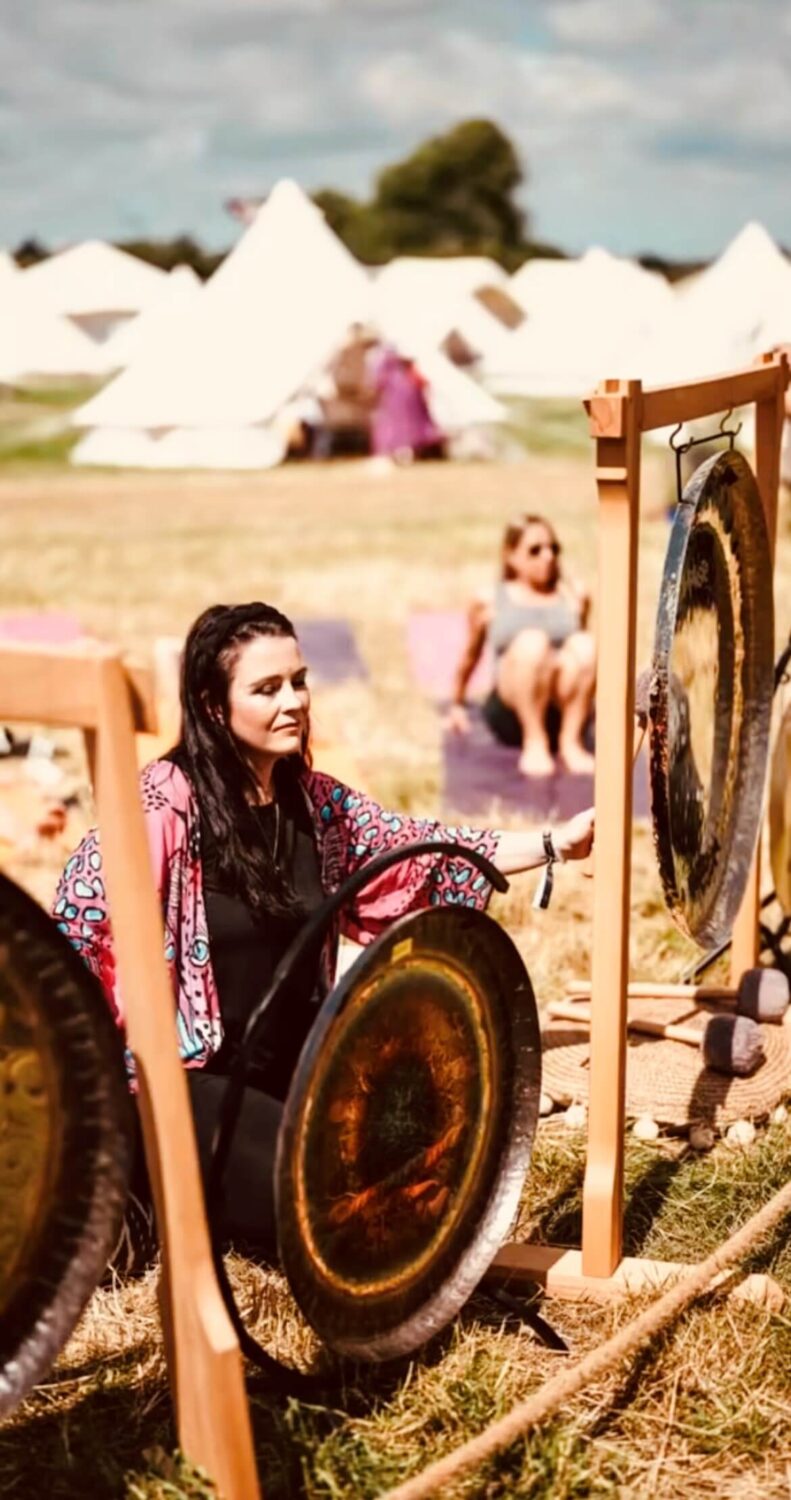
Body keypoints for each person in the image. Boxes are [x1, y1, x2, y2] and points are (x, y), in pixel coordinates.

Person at [53, 601, 594, 1259]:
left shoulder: (315, 803)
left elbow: (422, 847)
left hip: (291, 1070)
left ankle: (218, 1202)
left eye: (298, 681)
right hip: (182, 1083)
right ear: (212, 704)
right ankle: (144, 1197)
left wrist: (551, 842)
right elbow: (75, 936)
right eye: (266, 688)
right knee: (325, 1214)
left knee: (427, 1155)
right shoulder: (161, 809)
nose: (293, 701)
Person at [448, 514, 596, 778]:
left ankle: (570, 741)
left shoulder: (574, 595)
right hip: (511, 710)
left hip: (558, 708)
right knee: (533, 643)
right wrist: (456, 704)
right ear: (511, 556)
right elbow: (470, 655)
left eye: (553, 549)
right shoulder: (489, 599)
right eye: (535, 551)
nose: (547, 556)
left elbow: (583, 666)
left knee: (585, 645)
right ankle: (534, 741)